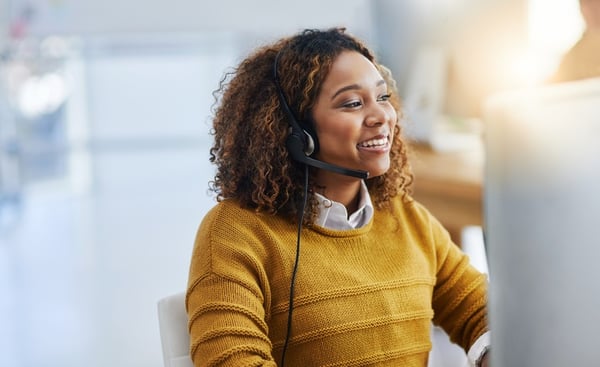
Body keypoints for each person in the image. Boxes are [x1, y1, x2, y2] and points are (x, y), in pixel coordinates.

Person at [186, 27, 490, 367]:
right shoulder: (234, 234)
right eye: (353, 103)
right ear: (298, 134)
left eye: (383, 97)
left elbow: (481, 310)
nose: (381, 117)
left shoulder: (406, 217)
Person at [550, 0, 600, 83]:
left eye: (595, 3)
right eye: (585, 4)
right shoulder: (574, 55)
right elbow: (554, 85)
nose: (590, 9)